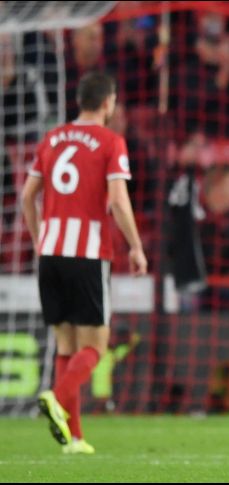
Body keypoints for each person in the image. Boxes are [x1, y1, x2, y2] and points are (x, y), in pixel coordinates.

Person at [21, 72, 148, 454]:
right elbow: (119, 201)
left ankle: (74, 439)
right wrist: (136, 246)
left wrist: (39, 238)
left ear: (80, 101)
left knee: (67, 345)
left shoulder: (52, 138)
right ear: (108, 102)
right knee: (96, 345)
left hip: (50, 253)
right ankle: (57, 397)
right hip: (87, 254)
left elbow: (27, 197)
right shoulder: (110, 141)